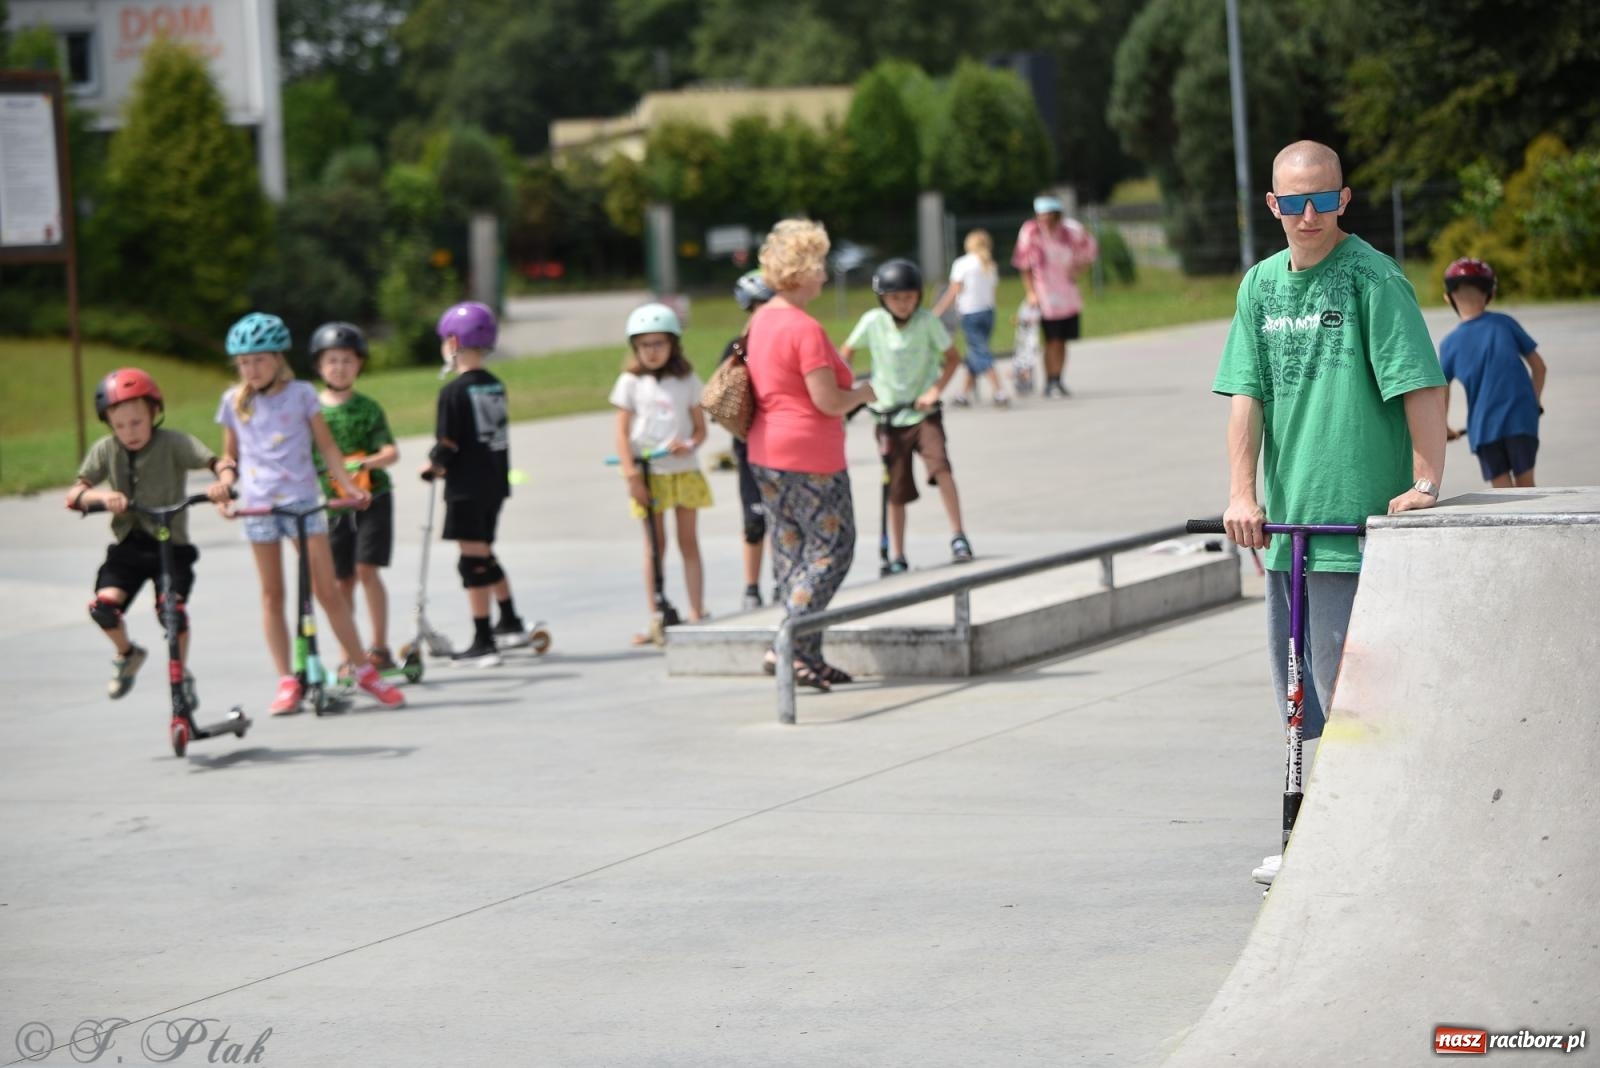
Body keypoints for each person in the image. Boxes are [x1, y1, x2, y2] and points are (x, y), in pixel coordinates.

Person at [1210, 140, 1446, 885]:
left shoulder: (1373, 279)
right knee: (1301, 698)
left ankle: (1372, 837)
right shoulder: (1260, 287)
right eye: (1293, 203)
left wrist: (1427, 480)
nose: (1308, 216)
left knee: (1358, 703)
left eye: (1322, 200)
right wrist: (1243, 495)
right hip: (1291, 536)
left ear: (1343, 200)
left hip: (1354, 532)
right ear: (1273, 207)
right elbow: (1246, 395)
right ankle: (1326, 836)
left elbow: (1421, 382)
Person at [216, 312, 406, 712]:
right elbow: (229, 455)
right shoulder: (232, 402)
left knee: (328, 591)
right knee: (272, 595)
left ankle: (363, 670)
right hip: (258, 505)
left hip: (302, 501)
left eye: (259, 360)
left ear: (278, 359)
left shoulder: (302, 394)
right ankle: (287, 680)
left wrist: (351, 487)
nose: (251, 369)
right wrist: (223, 484)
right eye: (244, 362)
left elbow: (329, 449)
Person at [745, 219, 875, 690]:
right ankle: (784, 641)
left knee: (792, 553)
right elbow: (828, 401)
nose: (824, 271)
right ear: (801, 271)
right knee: (832, 549)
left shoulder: (760, 319)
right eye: (819, 263)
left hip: (765, 451)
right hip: (809, 455)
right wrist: (864, 393)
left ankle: (807, 656)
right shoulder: (804, 328)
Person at [67, 369, 234, 704]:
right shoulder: (105, 450)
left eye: (137, 422)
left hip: (171, 547)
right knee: (103, 607)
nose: (129, 432)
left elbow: (220, 463)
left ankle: (181, 675)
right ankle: (127, 654)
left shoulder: (174, 442)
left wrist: (224, 485)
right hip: (130, 547)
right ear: (110, 425)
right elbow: (75, 495)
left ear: (154, 413)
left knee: (172, 612)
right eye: (120, 426)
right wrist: (102, 498)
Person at [840, 257, 973, 572]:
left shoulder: (927, 321)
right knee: (895, 486)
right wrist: (854, 391)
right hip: (888, 416)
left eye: (909, 297)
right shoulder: (873, 322)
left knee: (940, 467)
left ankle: (959, 535)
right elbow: (845, 353)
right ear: (882, 298)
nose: (903, 304)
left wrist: (934, 391)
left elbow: (952, 358)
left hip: (922, 412)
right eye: (896, 298)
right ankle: (897, 553)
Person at [420, 301, 534, 667]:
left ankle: (484, 638)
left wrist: (432, 465)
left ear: (453, 343)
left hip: (466, 486)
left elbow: (448, 443)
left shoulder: (452, 393)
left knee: (472, 563)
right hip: (494, 483)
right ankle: (510, 620)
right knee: (484, 553)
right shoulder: (494, 385)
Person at [610, 301, 713, 641]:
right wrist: (631, 476)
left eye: (658, 344)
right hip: (649, 473)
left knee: (688, 541)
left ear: (673, 344)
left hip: (682, 470)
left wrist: (690, 445)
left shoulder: (686, 380)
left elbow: (700, 430)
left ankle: (697, 610)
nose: (651, 352)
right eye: (644, 345)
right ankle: (657, 614)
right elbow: (622, 435)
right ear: (635, 348)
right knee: (655, 545)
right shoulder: (630, 382)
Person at [310, 321, 401, 675]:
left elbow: (390, 451)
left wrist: (363, 462)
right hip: (333, 503)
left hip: (372, 497)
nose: (339, 367)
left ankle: (379, 647)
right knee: (341, 579)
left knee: (367, 570)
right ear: (319, 366)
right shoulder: (312, 412)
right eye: (332, 360)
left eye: (347, 360)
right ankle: (349, 652)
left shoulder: (368, 408)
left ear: (359, 364)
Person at [1438, 257, 1547, 487]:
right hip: (1521, 420)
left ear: (1448, 299)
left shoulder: (1449, 343)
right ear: (1491, 294)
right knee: (1527, 486)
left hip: (1483, 426)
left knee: (1502, 493)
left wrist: (1444, 426)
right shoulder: (1505, 323)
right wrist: (1534, 403)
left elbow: (1442, 390)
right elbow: (1539, 367)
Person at [1011, 194, 1099, 398]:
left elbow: (1090, 249)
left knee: (1063, 340)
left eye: (1048, 216)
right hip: (1045, 295)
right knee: (1052, 339)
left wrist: (1079, 270)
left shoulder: (1071, 231)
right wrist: (1031, 292)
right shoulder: (1031, 231)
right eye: (1041, 216)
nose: (1044, 220)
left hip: (1067, 294)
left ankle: (1059, 378)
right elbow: (1023, 264)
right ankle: (1050, 380)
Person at [724, 271, 776, 610]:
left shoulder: (783, 341)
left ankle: (782, 580)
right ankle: (751, 587)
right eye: (756, 306)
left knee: (784, 518)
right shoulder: (737, 347)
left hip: (781, 445)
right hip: (749, 446)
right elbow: (720, 398)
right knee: (754, 521)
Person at [931, 229, 1007, 407]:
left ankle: (999, 391)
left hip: (970, 313)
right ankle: (963, 394)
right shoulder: (989, 264)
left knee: (980, 352)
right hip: (988, 312)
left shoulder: (962, 263)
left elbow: (953, 291)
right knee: (975, 353)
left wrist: (938, 311)